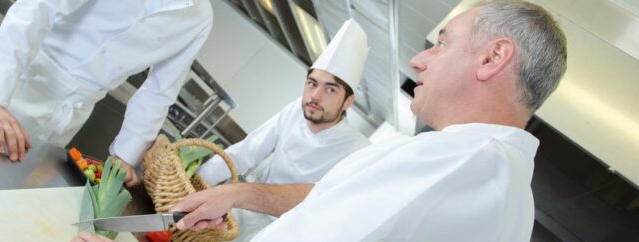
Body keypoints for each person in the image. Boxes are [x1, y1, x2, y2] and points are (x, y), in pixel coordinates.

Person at [165, 1, 568, 241]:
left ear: (492, 58)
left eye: (442, 43)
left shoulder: (457, 163)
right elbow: (332, 196)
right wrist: (239, 193)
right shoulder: (503, 183)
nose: (418, 60)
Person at [0, 0, 213, 186]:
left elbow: (159, 91)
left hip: (70, 113)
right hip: (16, 85)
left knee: (0, 190)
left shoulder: (200, 18)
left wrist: (124, 156)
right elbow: (39, 7)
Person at [195, 19, 371, 241]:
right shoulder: (296, 110)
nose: (315, 96)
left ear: (348, 102)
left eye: (330, 89)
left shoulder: (358, 150)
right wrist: (198, 182)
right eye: (312, 83)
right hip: (244, 208)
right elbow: (247, 151)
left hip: (285, 233)